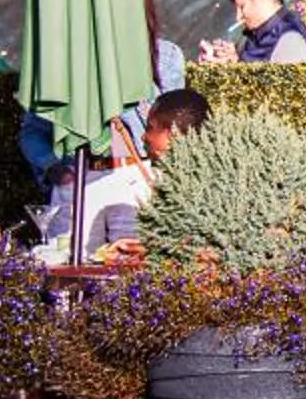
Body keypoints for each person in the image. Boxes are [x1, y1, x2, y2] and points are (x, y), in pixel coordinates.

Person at [46, 87, 209, 265]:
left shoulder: (218, 186)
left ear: (173, 135)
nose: (143, 136)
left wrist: (143, 250)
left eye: (150, 128)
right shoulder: (131, 181)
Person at [201, 0, 306, 65]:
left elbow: (277, 87)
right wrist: (234, 59)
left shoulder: (290, 38)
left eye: (242, 6)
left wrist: (227, 71)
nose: (238, 17)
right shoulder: (260, 33)